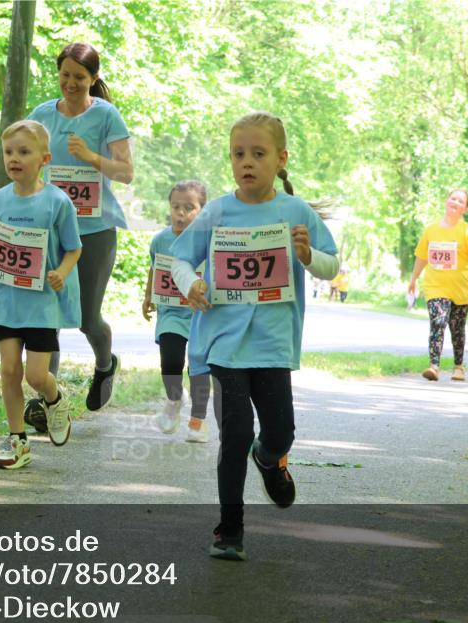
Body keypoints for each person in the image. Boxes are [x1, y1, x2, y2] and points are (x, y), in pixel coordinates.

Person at [169, 112, 339, 560]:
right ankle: (229, 527)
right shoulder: (218, 211)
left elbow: (332, 264)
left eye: (258, 154)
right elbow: (179, 260)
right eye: (238, 154)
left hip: (272, 342)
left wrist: (307, 256)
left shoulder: (295, 211)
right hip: (223, 342)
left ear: (280, 159)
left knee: (280, 430)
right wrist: (192, 285)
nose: (247, 162)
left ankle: (270, 458)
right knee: (236, 433)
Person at [0, 120, 81, 469]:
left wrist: (62, 273)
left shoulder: (57, 202)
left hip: (40, 304)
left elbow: (74, 248)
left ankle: (54, 399)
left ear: (44, 159)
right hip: (5, 300)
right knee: (9, 370)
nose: (14, 158)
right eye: (9, 152)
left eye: (24, 152)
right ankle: (18, 441)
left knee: (35, 377)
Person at [23, 43, 134, 431]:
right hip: (49, 231)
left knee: (88, 319)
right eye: (65, 75)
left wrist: (90, 156)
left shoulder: (105, 116)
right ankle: (44, 401)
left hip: (95, 231)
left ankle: (105, 365)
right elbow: (22, 161)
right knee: (45, 318)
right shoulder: (40, 116)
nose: (71, 83)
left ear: (94, 79)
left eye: (80, 77)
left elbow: (126, 172)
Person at [142, 180, 212, 442]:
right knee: (170, 362)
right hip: (170, 312)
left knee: (199, 369)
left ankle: (198, 421)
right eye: (176, 207)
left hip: (200, 315)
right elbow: (155, 268)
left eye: (189, 207)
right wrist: (148, 296)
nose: (181, 213)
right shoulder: (161, 240)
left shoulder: (208, 240)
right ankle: (174, 399)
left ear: (202, 211)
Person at [408, 189, 468, 382]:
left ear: (466, 208)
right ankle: (434, 366)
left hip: (460, 288)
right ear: (446, 201)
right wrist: (413, 279)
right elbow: (422, 256)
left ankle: (458, 366)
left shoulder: (467, 231)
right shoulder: (431, 230)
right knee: (438, 322)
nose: (455, 202)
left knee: (457, 328)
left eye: (460, 201)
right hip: (435, 285)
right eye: (453, 198)